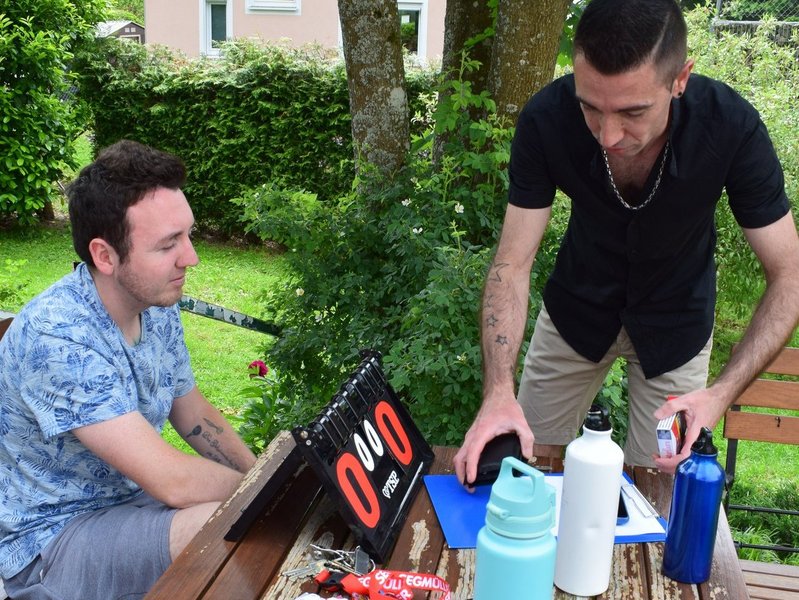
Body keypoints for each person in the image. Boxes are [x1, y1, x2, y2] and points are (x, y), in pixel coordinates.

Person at [453, 0, 799, 485]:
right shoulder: (546, 119)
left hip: (677, 325)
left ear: (680, 79)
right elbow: (511, 264)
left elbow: (789, 275)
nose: (608, 135)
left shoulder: (731, 128)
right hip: (575, 313)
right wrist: (496, 393)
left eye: (633, 112)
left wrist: (720, 395)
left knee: (660, 489)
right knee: (519, 464)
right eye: (590, 108)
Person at [0, 140, 258, 599]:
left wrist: (265, 475)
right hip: (51, 540)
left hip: (130, 503)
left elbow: (193, 413)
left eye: (188, 235)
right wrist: (266, 493)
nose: (191, 257)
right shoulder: (59, 335)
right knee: (225, 528)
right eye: (168, 244)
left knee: (243, 518)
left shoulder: (153, 302)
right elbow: (172, 482)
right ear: (104, 256)